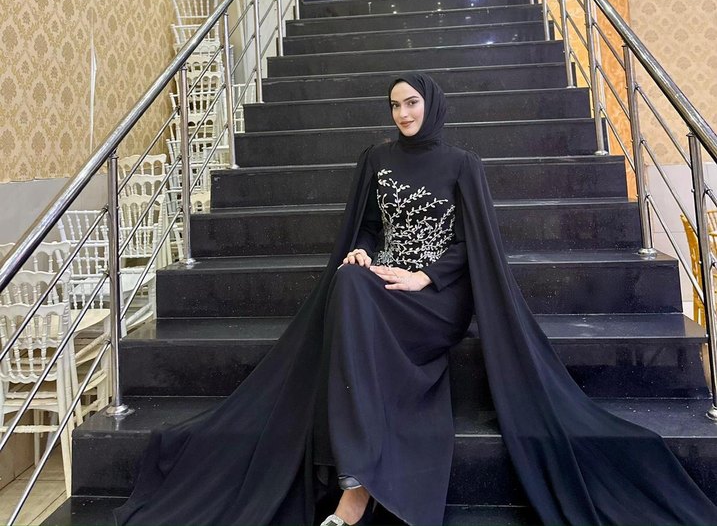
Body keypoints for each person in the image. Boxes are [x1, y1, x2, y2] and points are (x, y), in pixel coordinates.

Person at [116, 72, 717, 526]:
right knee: (347, 283)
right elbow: (367, 227)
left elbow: (473, 243)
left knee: (358, 312)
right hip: (384, 282)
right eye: (395, 105)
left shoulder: (462, 164)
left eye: (411, 103)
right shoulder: (375, 160)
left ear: (431, 105)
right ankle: (357, 480)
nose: (403, 113)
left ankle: (356, 491)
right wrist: (362, 253)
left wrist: (424, 277)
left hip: (437, 298)